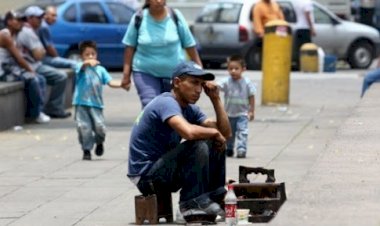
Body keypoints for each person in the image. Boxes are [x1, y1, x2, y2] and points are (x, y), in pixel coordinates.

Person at [127, 61, 232, 220]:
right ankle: (190, 204)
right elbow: (188, 132)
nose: (198, 90)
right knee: (198, 143)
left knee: (215, 142)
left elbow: (225, 133)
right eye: (194, 83)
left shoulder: (189, 109)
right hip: (146, 177)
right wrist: (213, 133)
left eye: (201, 85)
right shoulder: (166, 102)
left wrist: (216, 99)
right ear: (177, 82)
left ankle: (214, 197)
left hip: (164, 170)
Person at [121, 0, 202, 108]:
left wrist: (200, 70)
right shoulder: (139, 17)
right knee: (151, 105)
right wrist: (126, 75)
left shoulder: (175, 16)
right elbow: (130, 47)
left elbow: (189, 45)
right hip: (145, 72)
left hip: (175, 76)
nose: (158, 1)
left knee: (174, 108)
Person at [73, 40, 124, 160]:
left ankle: (99, 141)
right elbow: (81, 67)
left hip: (96, 105)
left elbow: (110, 82)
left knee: (99, 127)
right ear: (82, 56)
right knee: (83, 127)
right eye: (87, 54)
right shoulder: (80, 67)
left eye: (93, 54)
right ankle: (86, 150)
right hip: (81, 103)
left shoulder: (101, 70)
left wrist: (123, 84)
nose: (90, 57)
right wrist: (87, 63)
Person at [18, 6, 71, 118]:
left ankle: (47, 109)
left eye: (41, 17)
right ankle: (50, 109)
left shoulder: (34, 29)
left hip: (35, 64)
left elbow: (41, 51)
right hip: (32, 66)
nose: (41, 20)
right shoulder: (28, 31)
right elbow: (39, 54)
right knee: (60, 76)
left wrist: (40, 51)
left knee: (53, 77)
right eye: (38, 18)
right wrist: (39, 52)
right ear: (29, 18)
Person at [0, 10, 49, 124]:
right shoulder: (5, 35)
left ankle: (38, 111)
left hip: (11, 70)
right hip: (3, 73)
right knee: (33, 79)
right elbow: (19, 59)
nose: (21, 23)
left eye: (22, 20)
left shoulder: (16, 34)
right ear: (9, 22)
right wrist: (31, 71)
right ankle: (34, 115)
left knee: (41, 79)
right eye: (18, 20)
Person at [217, 55, 256, 158]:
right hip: (229, 114)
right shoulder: (226, 81)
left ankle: (241, 149)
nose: (233, 71)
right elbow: (218, 86)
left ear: (243, 69)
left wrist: (251, 111)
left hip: (242, 114)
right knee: (230, 133)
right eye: (230, 69)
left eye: (236, 68)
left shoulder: (247, 83)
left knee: (243, 132)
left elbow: (251, 96)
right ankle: (229, 148)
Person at [251, 0, 284, 69]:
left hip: (278, 34)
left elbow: (281, 19)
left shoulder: (275, 5)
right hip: (267, 34)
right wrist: (260, 33)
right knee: (267, 53)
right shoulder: (258, 6)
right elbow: (257, 20)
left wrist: (282, 32)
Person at [293, 0, 316, 69]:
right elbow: (307, 15)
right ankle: (306, 65)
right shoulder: (307, 2)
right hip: (305, 28)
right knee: (307, 48)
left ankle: (299, 65)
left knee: (299, 48)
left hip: (298, 27)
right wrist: (312, 28)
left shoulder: (297, 2)